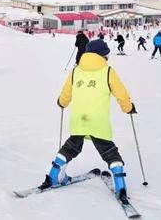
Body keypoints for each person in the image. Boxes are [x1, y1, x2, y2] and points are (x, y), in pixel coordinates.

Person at [42, 39, 136, 202]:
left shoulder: (76, 71)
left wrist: (61, 102)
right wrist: (128, 108)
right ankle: (120, 186)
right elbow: (121, 93)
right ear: (102, 55)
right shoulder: (107, 71)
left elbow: (65, 94)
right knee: (109, 152)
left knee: (71, 148)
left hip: (79, 120)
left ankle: (53, 176)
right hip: (98, 122)